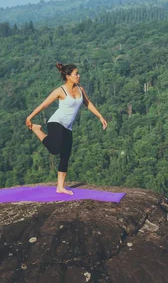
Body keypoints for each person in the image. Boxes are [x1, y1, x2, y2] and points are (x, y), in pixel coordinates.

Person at [26, 63, 107, 195]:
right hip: (56, 122)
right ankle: (37, 130)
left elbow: (88, 103)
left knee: (65, 155)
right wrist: (29, 117)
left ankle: (60, 187)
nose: (79, 76)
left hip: (68, 127)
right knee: (55, 149)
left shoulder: (81, 89)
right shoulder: (60, 91)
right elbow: (44, 105)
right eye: (76, 74)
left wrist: (100, 116)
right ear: (68, 76)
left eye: (78, 73)